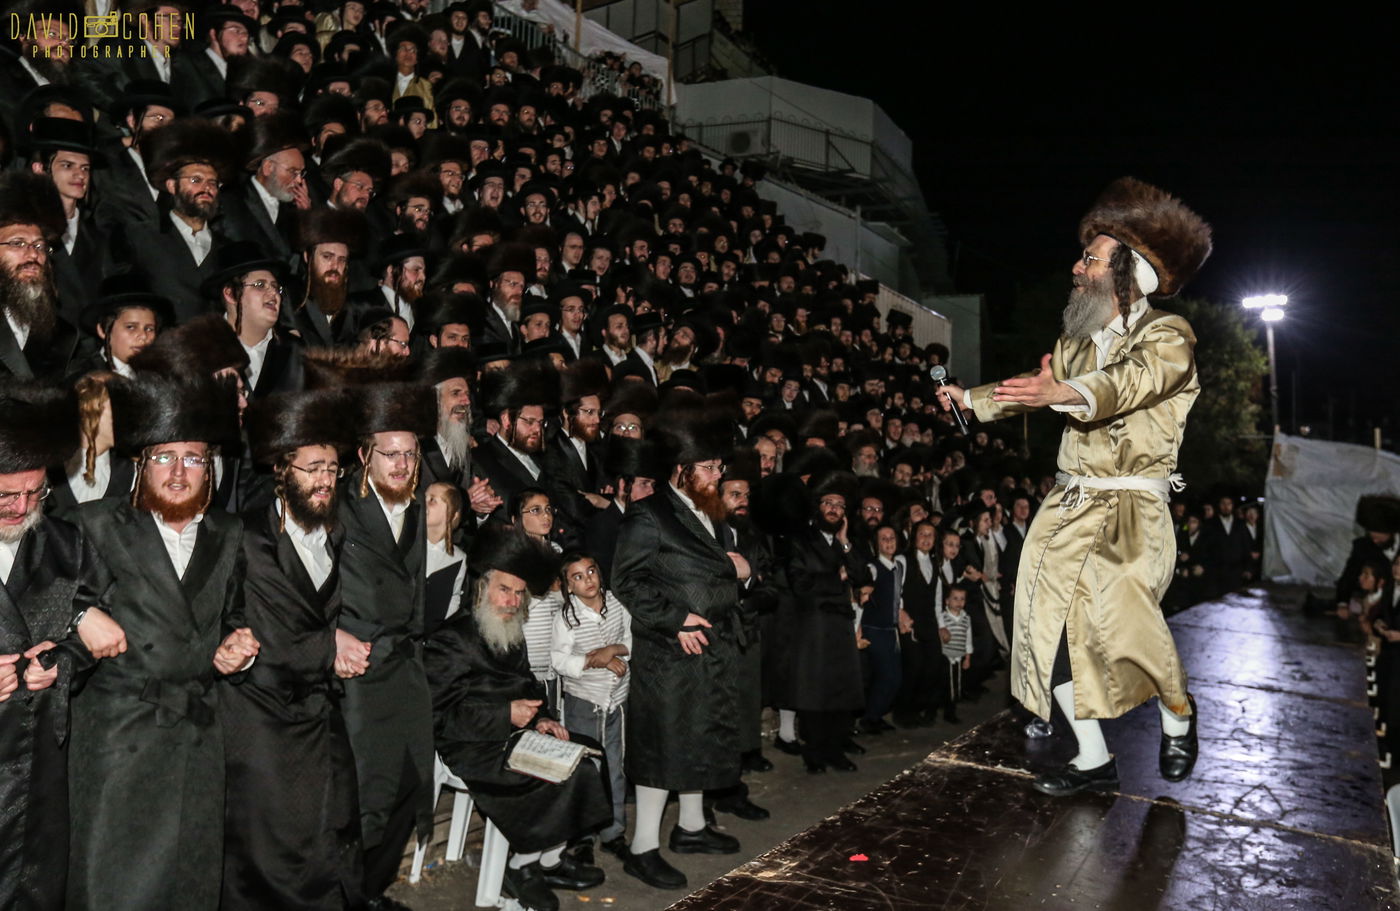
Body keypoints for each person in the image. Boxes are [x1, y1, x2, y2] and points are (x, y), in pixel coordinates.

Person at [938, 176, 1213, 795]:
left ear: (1128, 273)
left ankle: (1178, 713)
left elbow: (1133, 383)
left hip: (1132, 510)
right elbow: (1034, 388)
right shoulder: (1076, 341)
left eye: (1091, 258)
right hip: (1067, 504)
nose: (1077, 266)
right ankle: (1093, 757)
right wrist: (971, 400)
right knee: (1046, 629)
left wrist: (1066, 393)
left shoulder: (1168, 337)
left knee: (1122, 621)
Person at [69, 371, 258, 910]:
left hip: (197, 736)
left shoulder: (230, 533)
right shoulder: (95, 524)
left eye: (194, 459)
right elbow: (41, 598)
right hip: (118, 736)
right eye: (164, 457)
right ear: (140, 462)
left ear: (211, 467)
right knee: (112, 883)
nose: (179, 472)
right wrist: (80, 615)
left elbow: (235, 614)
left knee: (187, 881)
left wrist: (234, 649)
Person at [221, 389, 364, 910]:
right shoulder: (248, 537)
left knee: (332, 831)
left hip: (316, 711)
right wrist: (330, 646)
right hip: (261, 717)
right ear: (283, 471)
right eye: (313, 469)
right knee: (270, 854)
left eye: (333, 468)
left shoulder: (335, 532)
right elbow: (259, 633)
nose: (326, 480)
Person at [423, 526, 610, 911]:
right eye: (504, 590)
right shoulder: (450, 640)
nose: (512, 601)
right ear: (481, 588)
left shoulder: (510, 631)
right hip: (472, 744)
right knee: (558, 775)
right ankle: (520, 866)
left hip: (515, 734)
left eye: (519, 593)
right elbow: (437, 716)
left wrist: (541, 718)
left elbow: (527, 685)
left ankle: (550, 859)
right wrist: (504, 714)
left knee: (587, 754)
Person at [612, 401, 750, 890]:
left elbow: (725, 570)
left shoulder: (711, 514)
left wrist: (745, 575)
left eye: (719, 467)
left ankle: (691, 827)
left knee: (699, 739)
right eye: (709, 468)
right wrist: (673, 620)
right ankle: (641, 847)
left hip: (710, 649)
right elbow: (626, 582)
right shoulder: (649, 516)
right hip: (668, 653)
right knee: (663, 746)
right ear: (681, 470)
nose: (718, 476)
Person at [0, 381, 120, 911]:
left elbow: (94, 629)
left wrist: (61, 663)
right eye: (6, 494)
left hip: (39, 763)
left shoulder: (65, 545)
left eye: (35, 492)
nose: (22, 506)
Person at [780, 471, 867, 773]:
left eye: (839, 505)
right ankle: (814, 754)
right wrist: (835, 577)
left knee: (840, 692)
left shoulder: (845, 542)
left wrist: (844, 543)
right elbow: (800, 584)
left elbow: (862, 576)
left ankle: (835, 750)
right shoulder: (800, 541)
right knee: (814, 695)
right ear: (818, 507)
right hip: (813, 628)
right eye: (828, 503)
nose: (833, 509)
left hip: (840, 626)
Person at [552, 551, 633, 861]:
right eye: (578, 577)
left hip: (616, 703)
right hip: (584, 703)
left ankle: (613, 831)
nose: (588, 580)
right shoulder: (567, 617)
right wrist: (591, 660)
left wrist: (613, 650)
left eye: (591, 572)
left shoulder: (616, 604)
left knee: (615, 769)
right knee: (585, 770)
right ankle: (582, 837)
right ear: (568, 586)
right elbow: (559, 660)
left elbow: (631, 638)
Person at [938, 584, 974, 723]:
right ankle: (948, 711)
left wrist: (968, 657)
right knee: (947, 684)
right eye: (955, 598)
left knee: (957, 684)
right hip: (946, 655)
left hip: (959, 656)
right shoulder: (943, 617)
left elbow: (968, 638)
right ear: (947, 601)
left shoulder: (966, 618)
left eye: (962, 599)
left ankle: (951, 707)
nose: (959, 602)